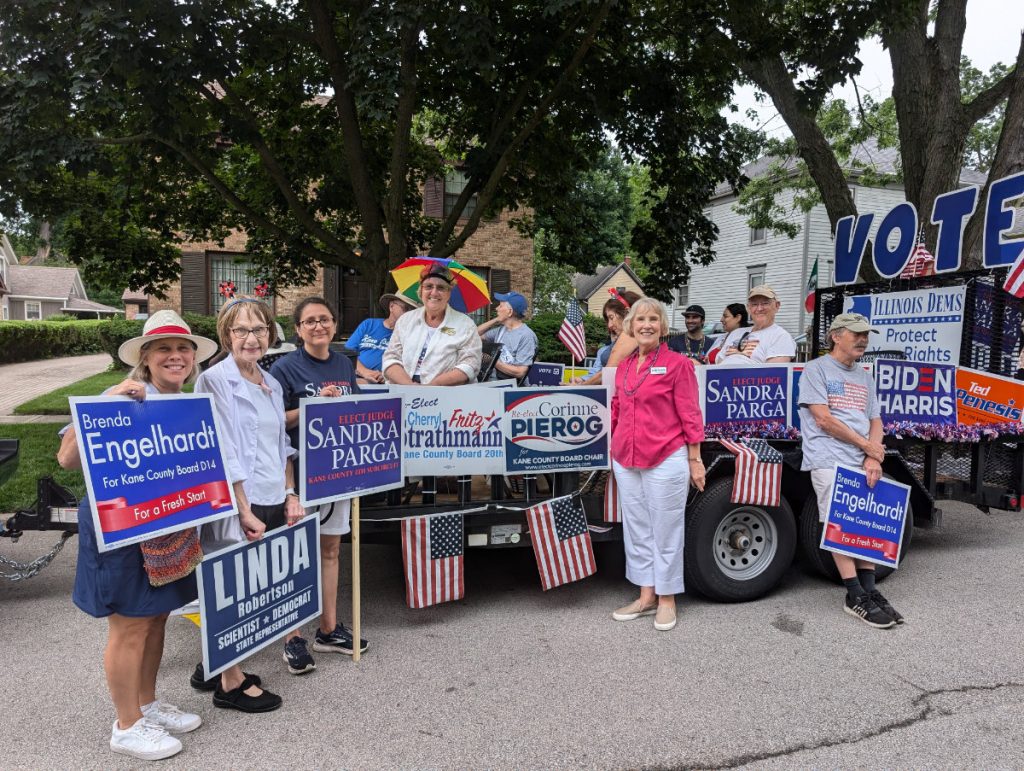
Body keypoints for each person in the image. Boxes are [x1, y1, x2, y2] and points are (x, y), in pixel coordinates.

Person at [57, 310, 222, 761]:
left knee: (158, 616)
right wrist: (110, 397)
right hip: (122, 529)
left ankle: (146, 704)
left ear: (193, 357)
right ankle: (126, 724)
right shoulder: (123, 397)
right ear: (145, 358)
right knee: (129, 624)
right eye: (164, 349)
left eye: (183, 348)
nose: (175, 356)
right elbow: (67, 458)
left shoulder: (188, 405)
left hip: (170, 527)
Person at [195, 296, 308, 697]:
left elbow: (281, 446)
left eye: (259, 329)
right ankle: (231, 683)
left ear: (270, 334)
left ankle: (211, 665)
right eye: (241, 330)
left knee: (263, 581)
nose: (251, 338)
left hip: (274, 493)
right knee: (232, 585)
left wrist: (291, 493)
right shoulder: (214, 380)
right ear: (226, 335)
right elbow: (223, 451)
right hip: (237, 500)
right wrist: (242, 509)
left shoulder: (272, 381)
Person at [270, 296, 368, 658]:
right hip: (298, 472)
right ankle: (292, 637)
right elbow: (273, 421)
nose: (318, 326)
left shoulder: (344, 364)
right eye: (309, 321)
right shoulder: (284, 369)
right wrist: (313, 407)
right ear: (298, 330)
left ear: (333, 325)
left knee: (331, 550)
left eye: (324, 319)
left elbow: (356, 411)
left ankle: (328, 629)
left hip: (337, 470)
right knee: (296, 554)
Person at [798, 312, 903, 629]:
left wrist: (873, 456)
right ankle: (854, 594)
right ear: (835, 336)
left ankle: (870, 590)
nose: (863, 339)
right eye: (856, 333)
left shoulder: (865, 376)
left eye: (865, 334)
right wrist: (867, 447)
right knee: (841, 523)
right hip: (828, 456)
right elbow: (823, 420)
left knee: (866, 523)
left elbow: (876, 420)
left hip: (862, 457)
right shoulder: (815, 370)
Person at [609, 297, 706, 632]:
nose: (646, 325)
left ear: (662, 327)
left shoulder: (679, 364)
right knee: (637, 529)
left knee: (665, 529)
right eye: (640, 320)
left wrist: (695, 459)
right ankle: (646, 594)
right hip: (626, 457)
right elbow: (618, 408)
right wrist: (614, 446)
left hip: (665, 456)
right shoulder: (623, 367)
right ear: (630, 326)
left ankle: (667, 598)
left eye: (653, 319)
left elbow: (691, 414)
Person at [382, 263, 482, 384]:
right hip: (403, 388)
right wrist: (409, 386)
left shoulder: (466, 325)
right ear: (421, 291)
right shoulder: (405, 320)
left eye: (441, 288)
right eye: (428, 286)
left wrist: (432, 387)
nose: (434, 293)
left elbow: (470, 365)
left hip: (446, 392)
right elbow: (391, 358)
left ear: (449, 293)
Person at [346, 292, 420, 384]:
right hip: (354, 374)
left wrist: (386, 375)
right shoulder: (369, 324)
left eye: (413, 311)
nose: (410, 314)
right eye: (406, 308)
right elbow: (348, 353)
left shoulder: (411, 336)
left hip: (382, 382)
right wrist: (365, 372)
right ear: (391, 306)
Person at [573, 290, 641, 386]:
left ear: (626, 314)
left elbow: (608, 372)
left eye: (611, 317)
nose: (609, 325)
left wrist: (580, 387)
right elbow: (601, 372)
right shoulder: (623, 337)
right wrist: (583, 380)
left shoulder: (631, 334)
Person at [715, 285, 796, 364]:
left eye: (765, 303)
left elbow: (773, 374)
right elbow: (719, 363)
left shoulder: (780, 336)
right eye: (754, 304)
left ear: (777, 306)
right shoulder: (736, 333)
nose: (759, 308)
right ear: (748, 308)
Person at [476, 290, 538, 381]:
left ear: (510, 312)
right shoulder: (501, 330)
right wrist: (496, 320)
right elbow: (473, 335)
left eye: (500, 306)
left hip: (509, 388)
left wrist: (492, 361)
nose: (496, 308)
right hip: (490, 383)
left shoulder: (526, 336)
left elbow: (520, 372)